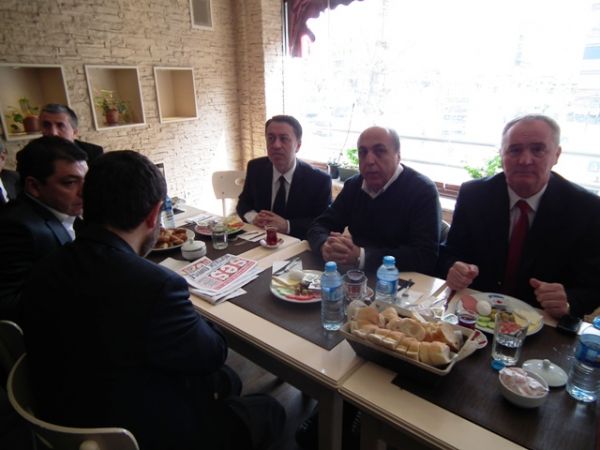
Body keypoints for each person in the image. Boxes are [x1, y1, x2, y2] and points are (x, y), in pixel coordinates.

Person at [21, 150, 285, 450]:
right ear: (154, 214)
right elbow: (213, 352)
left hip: (62, 418)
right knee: (268, 408)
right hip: (139, 433)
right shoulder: (156, 287)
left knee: (226, 380)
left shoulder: (43, 268)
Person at [439, 114, 600, 319]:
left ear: (556, 155)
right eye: (514, 150)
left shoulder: (586, 209)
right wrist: (454, 269)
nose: (525, 160)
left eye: (538, 149)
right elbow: (450, 253)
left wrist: (568, 302)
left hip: (544, 321)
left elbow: (593, 286)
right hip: (473, 314)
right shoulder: (474, 195)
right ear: (502, 154)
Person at [307, 126, 441, 273]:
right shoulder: (354, 185)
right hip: (355, 276)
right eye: (363, 152)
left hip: (401, 279)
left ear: (398, 155)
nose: (369, 160)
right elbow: (319, 225)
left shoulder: (422, 191)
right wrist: (325, 245)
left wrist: (362, 256)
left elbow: (425, 257)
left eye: (379, 151)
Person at [0, 136, 87, 321]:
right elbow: (8, 306)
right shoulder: (15, 227)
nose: (84, 191)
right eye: (70, 182)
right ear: (34, 186)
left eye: (86, 180)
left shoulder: (68, 210)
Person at [236, 114, 332, 239]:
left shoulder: (319, 180)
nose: (276, 145)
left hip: (296, 243)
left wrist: (287, 225)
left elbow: (322, 223)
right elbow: (243, 203)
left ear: (298, 146)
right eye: (271, 138)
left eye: (284, 139)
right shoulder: (256, 168)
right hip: (260, 239)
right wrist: (253, 217)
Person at [39, 103, 104, 162]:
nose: (53, 132)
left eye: (60, 126)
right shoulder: (35, 153)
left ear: (75, 132)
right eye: (46, 125)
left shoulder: (93, 153)